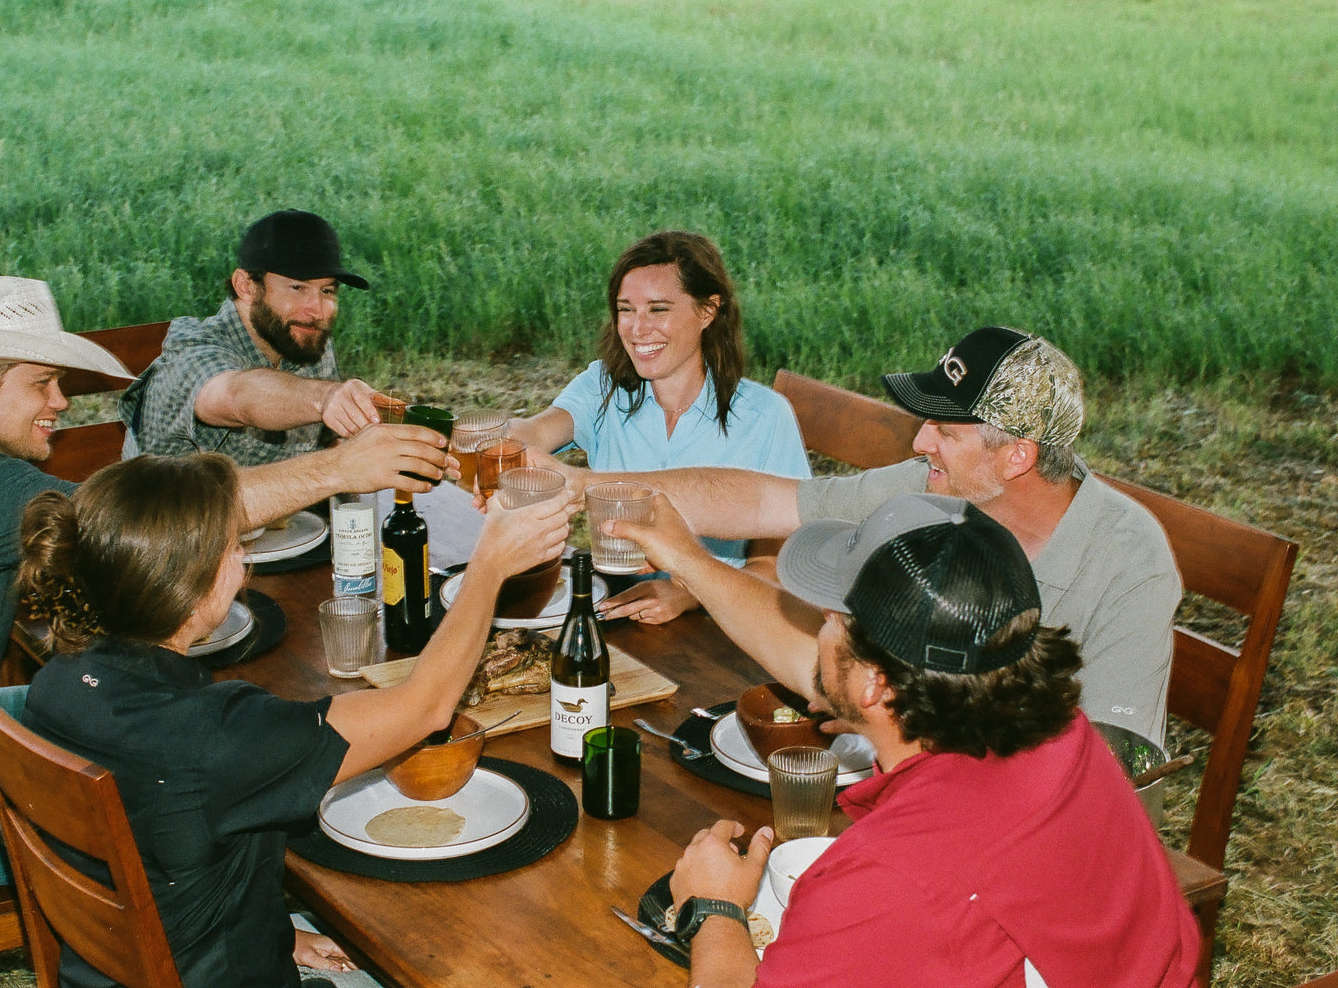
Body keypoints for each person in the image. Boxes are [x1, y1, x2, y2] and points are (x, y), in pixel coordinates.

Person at [0, 275, 450, 901]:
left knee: (157, 741)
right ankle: (267, 929)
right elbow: (154, 528)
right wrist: (339, 466)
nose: (60, 402)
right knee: (191, 814)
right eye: (44, 383)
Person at [17, 452, 572, 987]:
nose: (245, 561)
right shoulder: (217, 734)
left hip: (144, 962)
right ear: (189, 588)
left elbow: (164, 845)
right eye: (234, 546)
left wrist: (274, 935)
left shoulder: (58, 683)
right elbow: (425, 708)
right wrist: (489, 568)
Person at [666, 494, 1200, 988]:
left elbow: (915, 891)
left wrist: (714, 908)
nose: (817, 630)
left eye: (829, 620)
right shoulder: (1060, 730)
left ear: (875, 683)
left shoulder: (889, 880)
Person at [571, 326, 1179, 741]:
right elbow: (765, 500)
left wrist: (893, 725)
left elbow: (1112, 765)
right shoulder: (937, 483)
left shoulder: (1128, 562)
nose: (920, 443)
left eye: (945, 430)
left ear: (1017, 457)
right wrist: (587, 485)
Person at [509, 231, 809, 624]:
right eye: (626, 309)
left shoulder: (766, 417)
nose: (637, 329)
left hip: (724, 625)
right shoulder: (603, 386)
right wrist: (508, 444)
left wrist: (687, 594)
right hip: (620, 606)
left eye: (658, 309)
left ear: (707, 311)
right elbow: (535, 431)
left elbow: (774, 567)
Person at [119, 209, 394, 463]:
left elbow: (330, 444)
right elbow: (234, 395)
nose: (318, 311)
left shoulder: (303, 340)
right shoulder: (191, 348)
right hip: (172, 513)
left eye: (327, 291)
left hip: (279, 514)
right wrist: (325, 398)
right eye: (298, 288)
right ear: (246, 286)